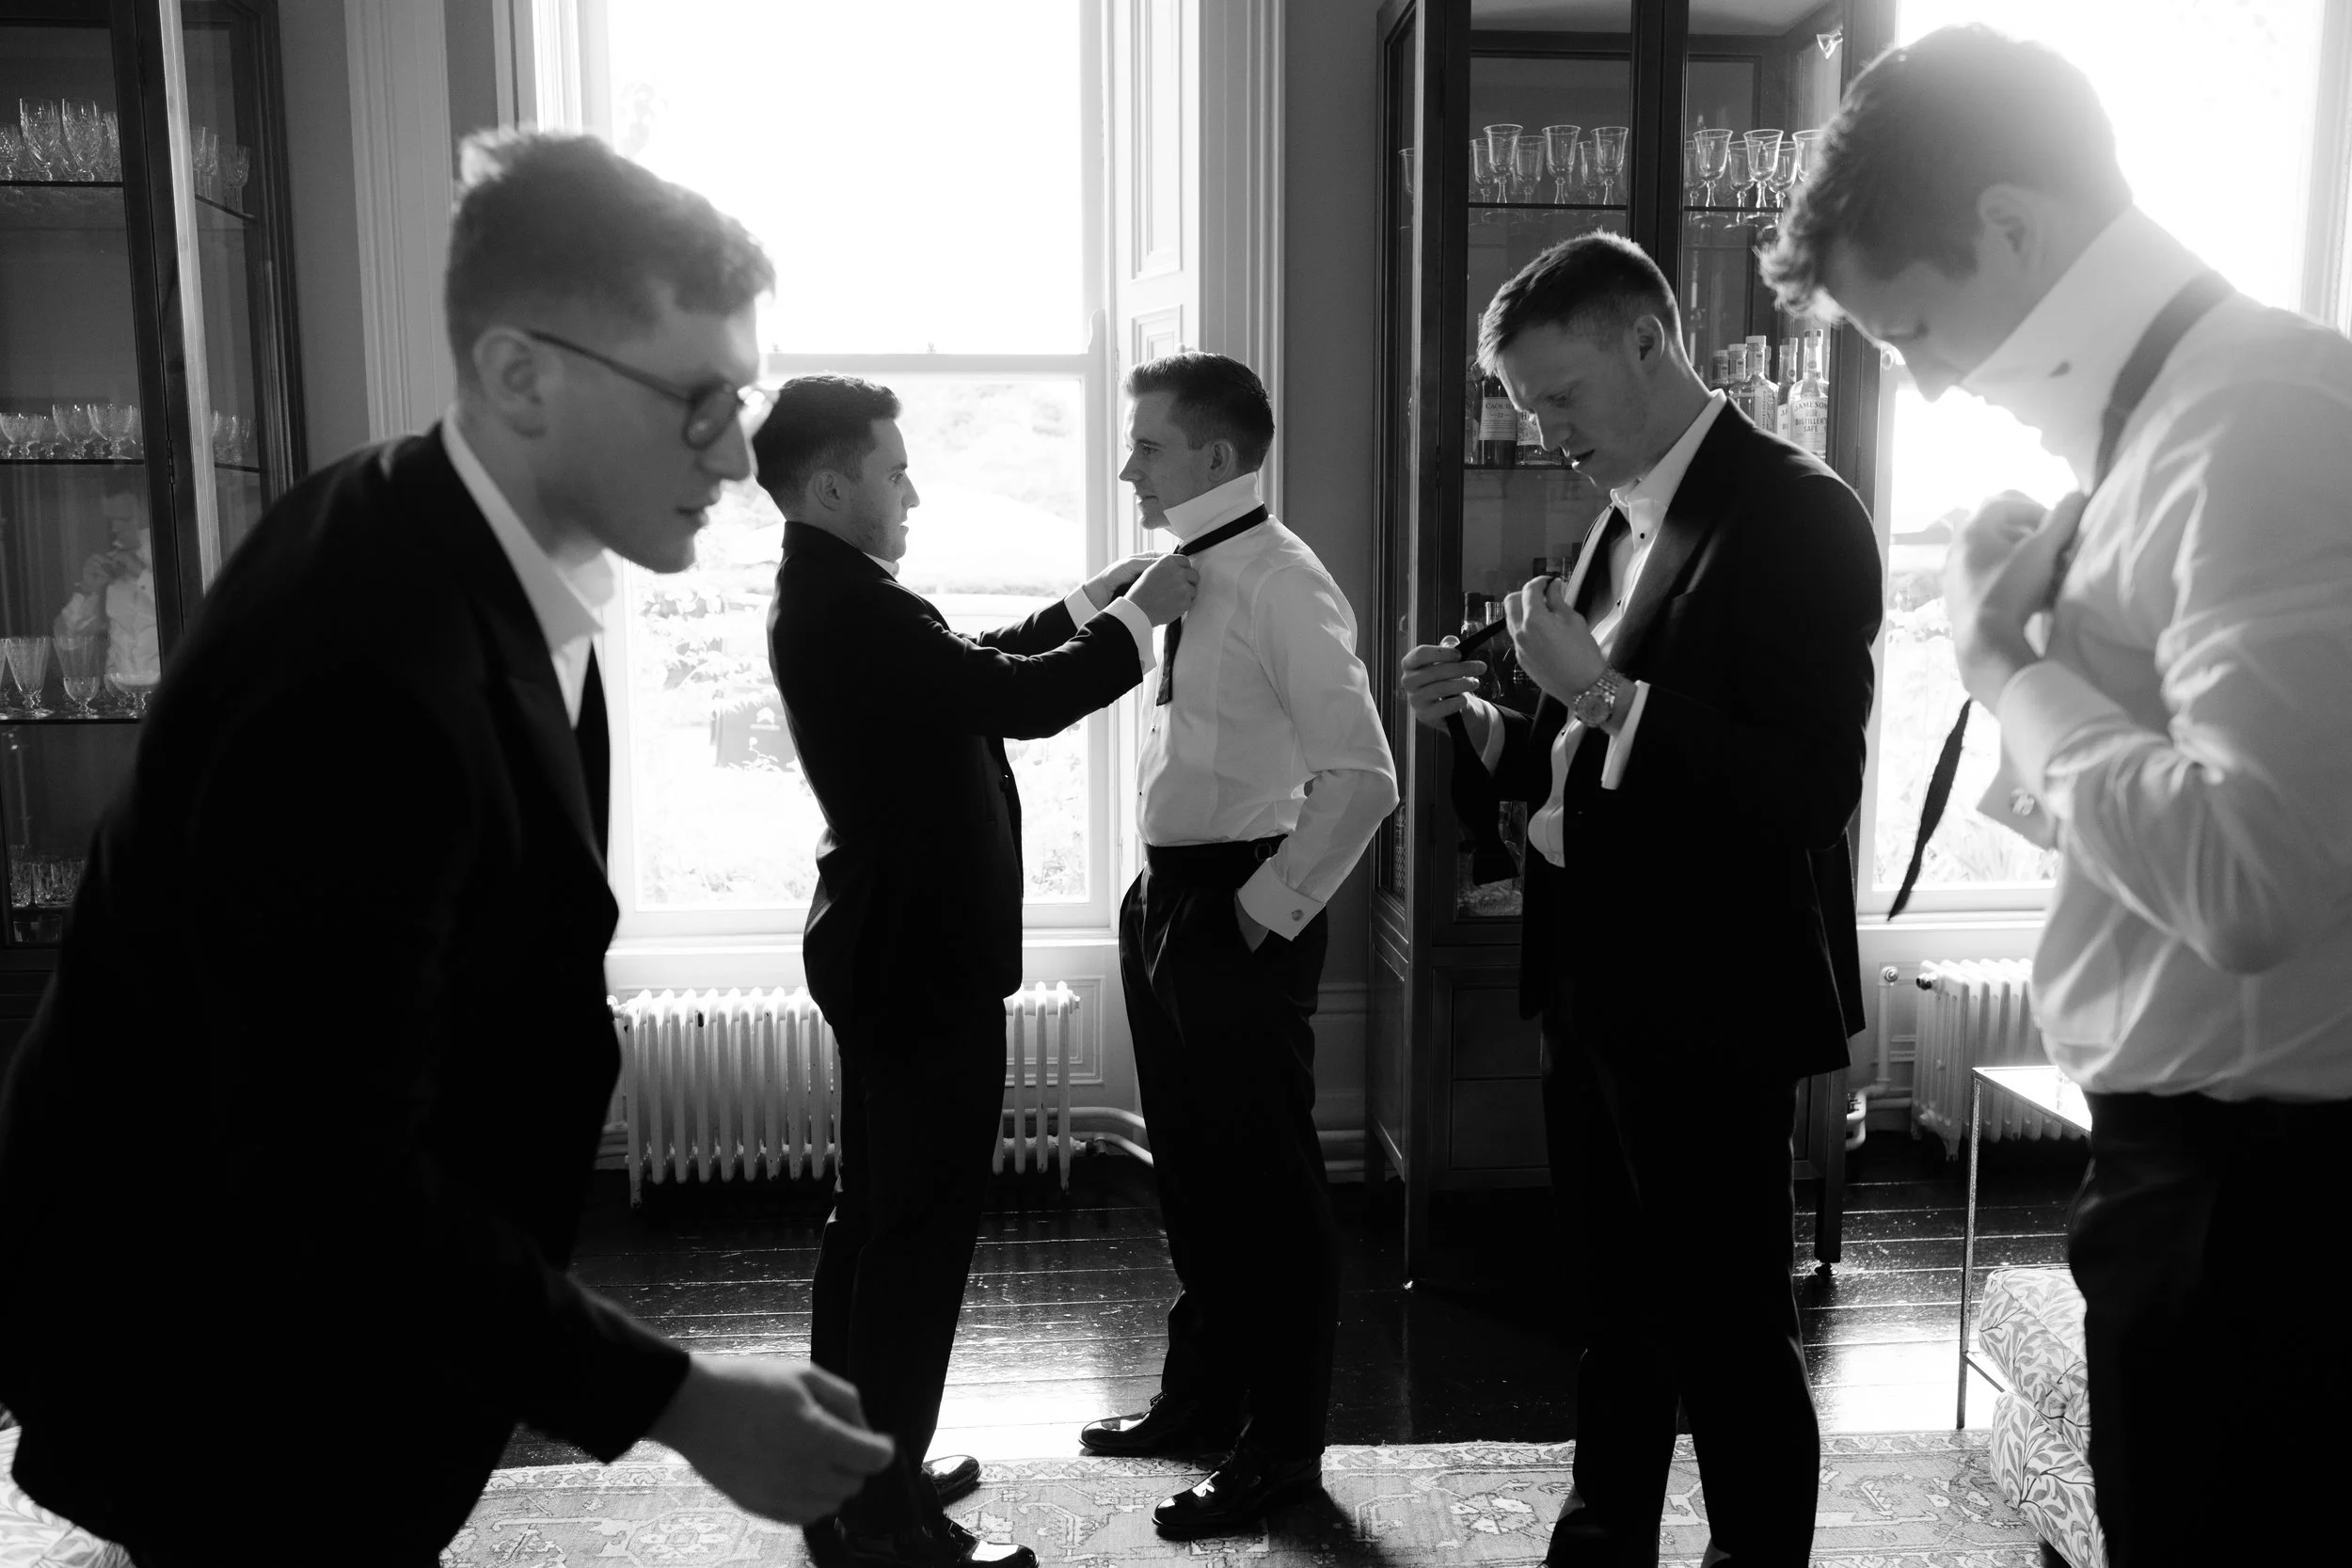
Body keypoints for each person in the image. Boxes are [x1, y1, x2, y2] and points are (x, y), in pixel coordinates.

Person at [0, 131, 896, 1566]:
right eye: (700, 402)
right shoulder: (362, 669)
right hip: (226, 1371)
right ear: (520, 373)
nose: (739, 454)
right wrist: (682, 1401)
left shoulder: (461, 531)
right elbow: (322, 1173)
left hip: (337, 1326)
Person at [1763, 26, 2352, 1567]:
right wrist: (2041, 661)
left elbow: (2252, 882)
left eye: (1922, 330)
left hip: (2262, 1191)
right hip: (2189, 1157)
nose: (1941, 391)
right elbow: (2106, 822)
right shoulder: (2146, 439)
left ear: (2015, 227)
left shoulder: (2259, 423)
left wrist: (2002, 663)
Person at [1398, 233, 1881, 1568]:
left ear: (1646, 343)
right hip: (1593, 974)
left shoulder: (1797, 510)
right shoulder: (1621, 508)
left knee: (1729, 1321)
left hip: (1711, 989)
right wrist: (1496, 727)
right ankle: (1603, 1530)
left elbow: (1807, 789)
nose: (1547, 431)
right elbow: (1584, 770)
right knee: (1615, 1300)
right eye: (1528, 410)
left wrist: (1603, 691)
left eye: (1560, 397)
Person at [757, 374, 1198, 1568]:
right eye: (895, 469)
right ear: (833, 483)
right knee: (916, 1238)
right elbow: (1017, 699)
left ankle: (854, 1470)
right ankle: (886, 1520)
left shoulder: (841, 594)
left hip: (887, 945)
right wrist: (1137, 622)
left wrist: (1084, 603)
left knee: (872, 1227)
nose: (913, 488)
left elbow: (968, 667)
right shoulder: (850, 606)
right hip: (920, 963)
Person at [1082, 351, 1397, 1538]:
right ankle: (1200, 1394)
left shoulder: (1280, 582)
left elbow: (1365, 778)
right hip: (1163, 900)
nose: (1128, 468)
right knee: (1195, 1178)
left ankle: (1283, 1450)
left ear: (1216, 455)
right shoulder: (1180, 574)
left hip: (1236, 908)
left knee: (1268, 1192)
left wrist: (1256, 916)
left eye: (1148, 446)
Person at [54, 476, 160, 696]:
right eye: (110, 520)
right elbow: (68, 642)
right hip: (119, 701)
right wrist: (87, 590)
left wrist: (141, 574)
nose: (115, 529)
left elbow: (193, 619)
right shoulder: (108, 564)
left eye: (124, 520)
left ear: (148, 512)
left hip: (171, 699)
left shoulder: (179, 557)